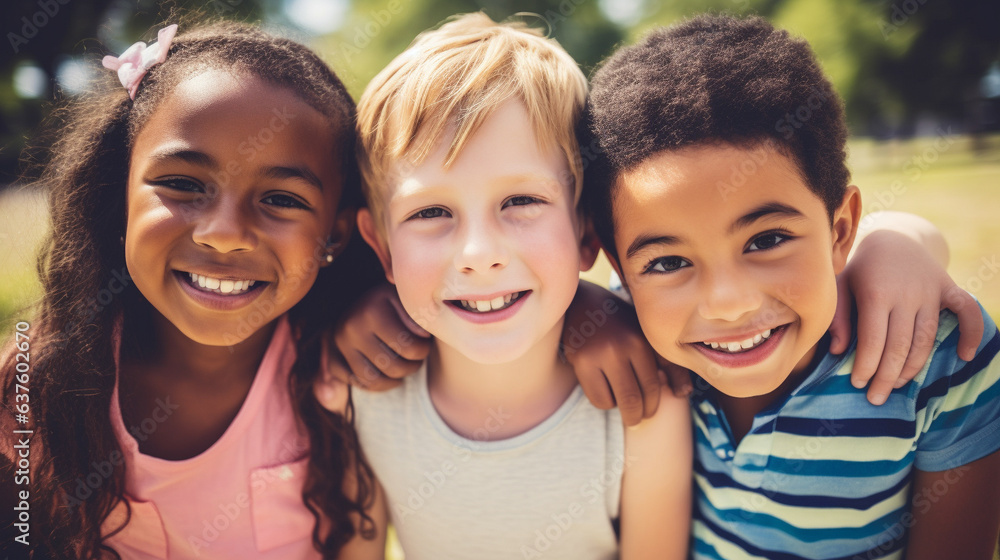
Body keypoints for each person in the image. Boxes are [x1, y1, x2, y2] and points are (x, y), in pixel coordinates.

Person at [582, 14, 1000, 559]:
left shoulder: (938, 360)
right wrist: (577, 317)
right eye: (667, 263)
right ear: (622, 270)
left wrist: (900, 237)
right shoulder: (627, 325)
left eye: (767, 239)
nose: (728, 303)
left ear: (841, 230)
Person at [0, 21, 383, 559]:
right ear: (118, 197)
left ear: (335, 234)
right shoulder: (35, 384)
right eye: (182, 183)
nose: (224, 234)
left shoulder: (344, 378)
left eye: (282, 198)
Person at [342, 13, 694, 559]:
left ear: (586, 230)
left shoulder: (645, 405)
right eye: (432, 211)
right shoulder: (360, 398)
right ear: (382, 247)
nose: (480, 254)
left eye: (521, 201)